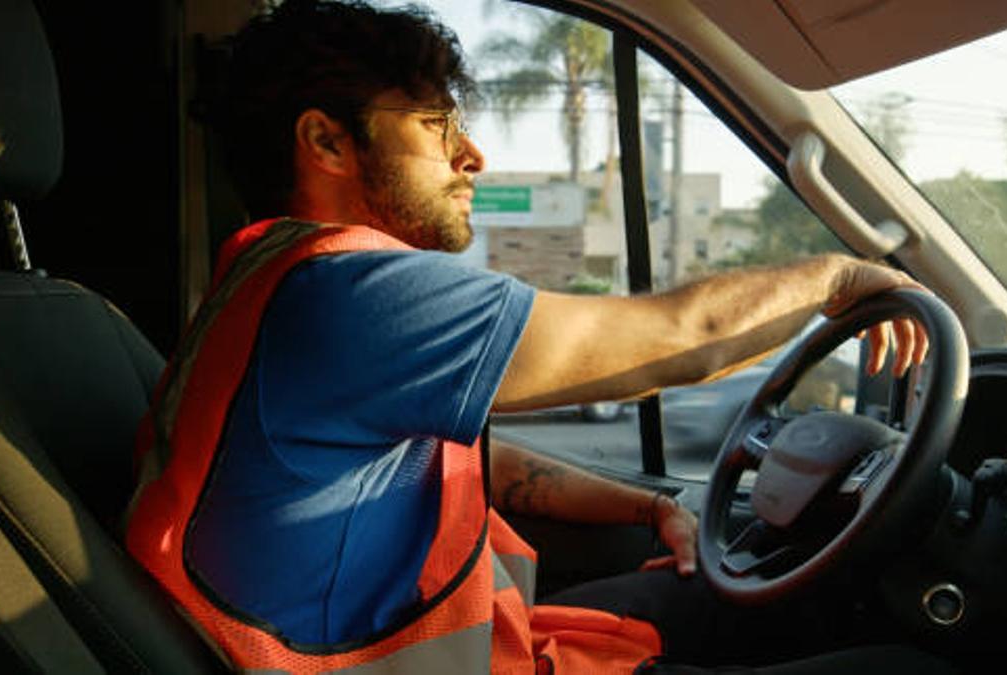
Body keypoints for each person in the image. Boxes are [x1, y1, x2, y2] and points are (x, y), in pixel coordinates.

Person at [124, 1, 934, 672]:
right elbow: (673, 339)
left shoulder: (268, 282)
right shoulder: (350, 292)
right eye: (436, 125)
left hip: (464, 647)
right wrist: (837, 282)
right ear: (328, 141)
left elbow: (477, 464)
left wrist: (649, 505)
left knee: (755, 596)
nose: (471, 154)